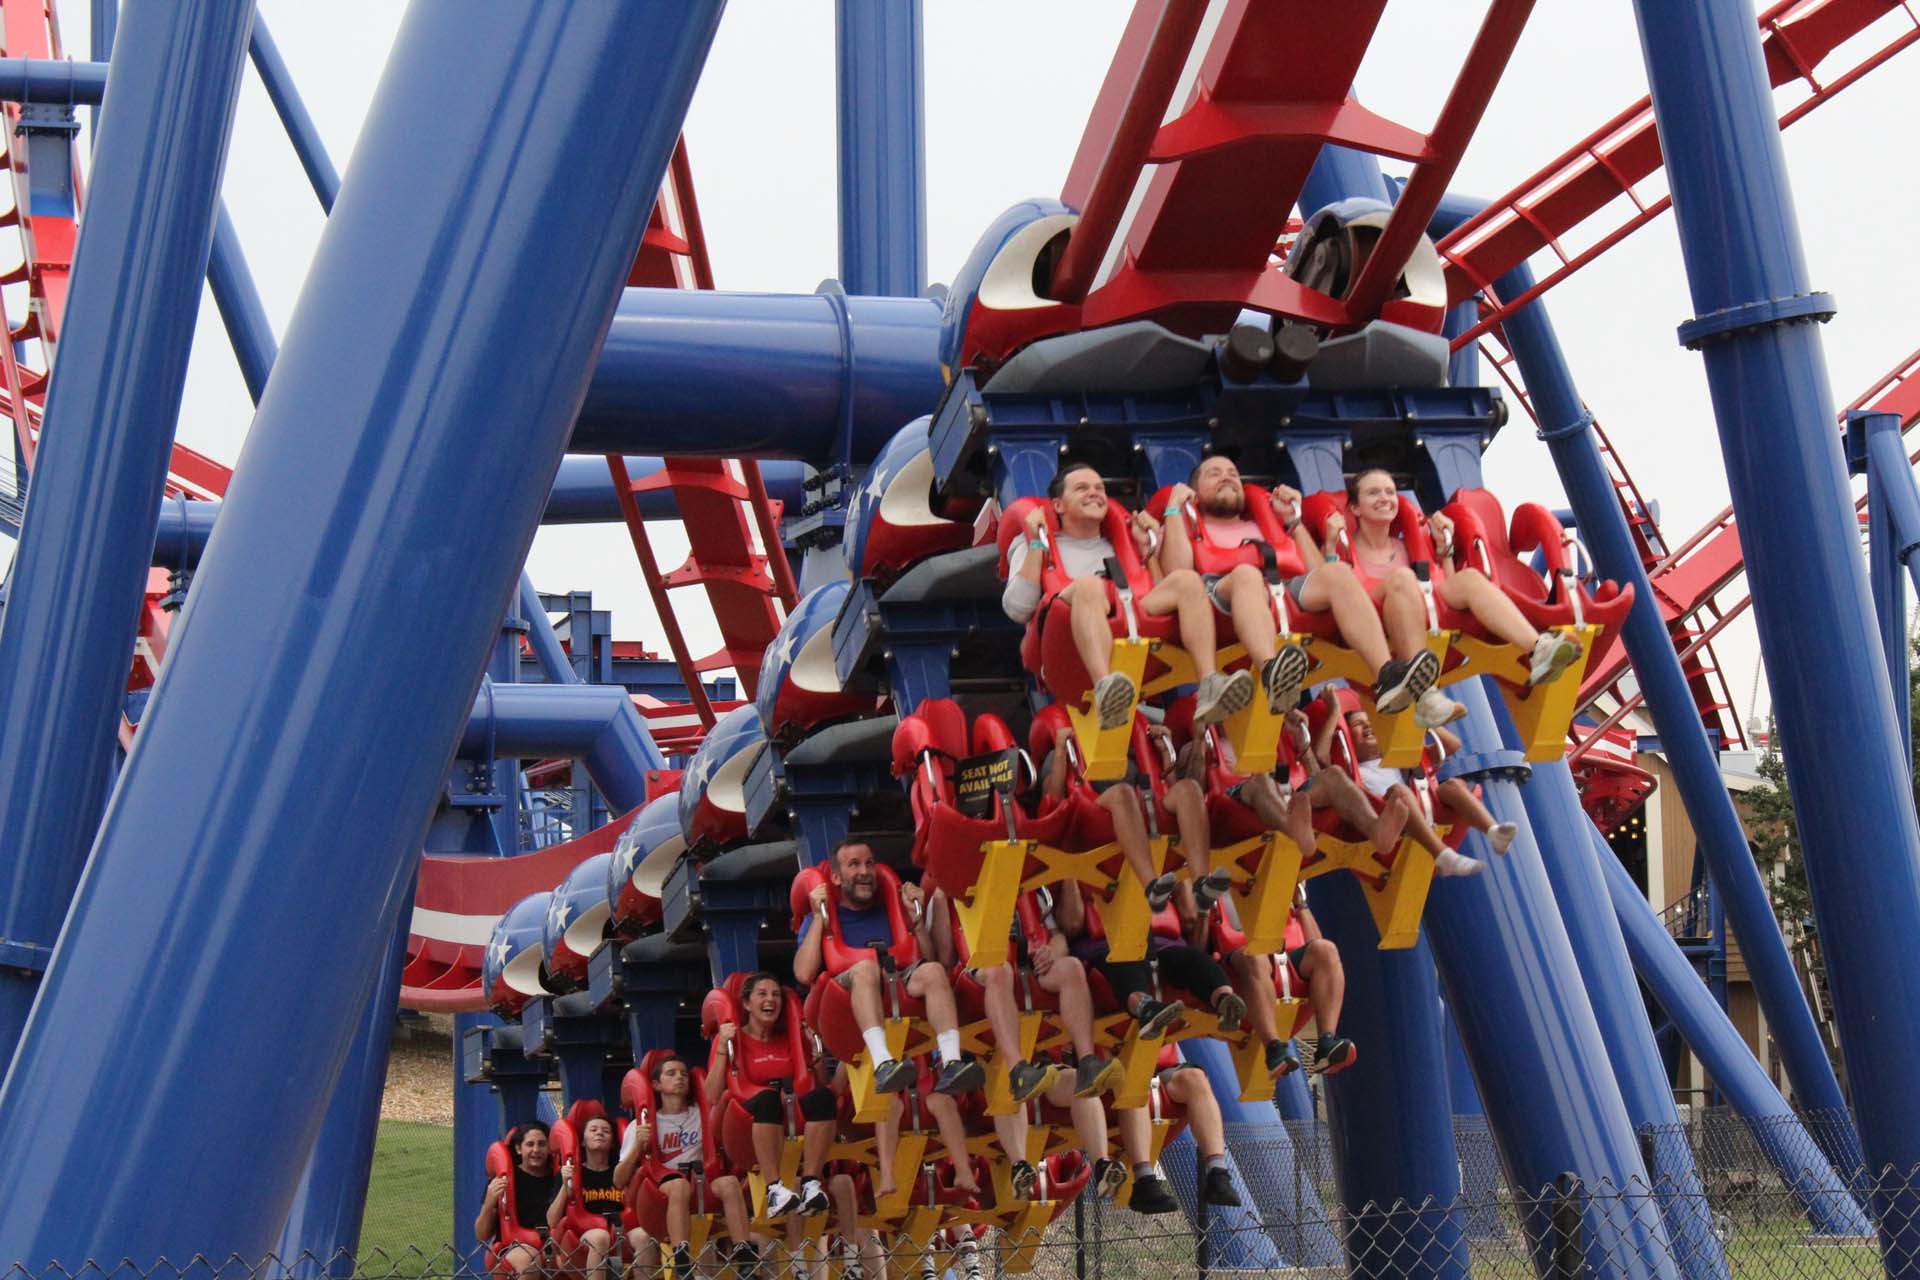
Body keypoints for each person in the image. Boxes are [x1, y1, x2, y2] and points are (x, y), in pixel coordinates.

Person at [1158, 452, 1443, 723]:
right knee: (1247, 574)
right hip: (1222, 591)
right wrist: (1173, 510)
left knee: (1338, 573)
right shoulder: (1184, 523)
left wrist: (1293, 522)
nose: (1227, 478)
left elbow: (1316, 571)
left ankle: (1387, 676)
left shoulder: (1265, 520)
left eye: (1233, 473)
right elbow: (1176, 573)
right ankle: (1273, 672)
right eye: (1214, 474)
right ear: (1195, 491)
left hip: (1281, 589)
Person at [793, 840, 984, 1199]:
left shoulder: (890, 903)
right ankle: (883, 1062)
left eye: (869, 863)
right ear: (837, 876)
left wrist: (916, 918)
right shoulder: (823, 913)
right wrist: (818, 915)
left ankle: (951, 1061)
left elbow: (930, 958)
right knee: (865, 969)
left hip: (898, 980)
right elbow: (803, 973)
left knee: (932, 973)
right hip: (850, 994)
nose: (864, 872)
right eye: (853, 865)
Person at [1003, 461, 1254, 731]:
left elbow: (1157, 589)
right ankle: (1106, 690)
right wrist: (1036, 544)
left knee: (1187, 581)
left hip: (1129, 625)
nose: (1094, 493)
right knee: (1090, 586)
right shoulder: (1035, 542)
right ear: (1058, 505)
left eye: (1099, 488)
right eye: (1082, 488)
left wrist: (1147, 553)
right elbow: (1018, 608)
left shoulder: (1122, 541)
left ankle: (1209, 683)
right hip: (1069, 646)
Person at [924, 883, 1124, 1200]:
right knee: (999, 975)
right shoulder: (950, 892)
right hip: (980, 975)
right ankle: (1020, 1161)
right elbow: (944, 955)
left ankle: (1101, 1158)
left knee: (1071, 967)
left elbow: (1057, 935)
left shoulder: (1034, 887)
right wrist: (940, 893)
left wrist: (1052, 951)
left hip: (1030, 975)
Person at [1331, 467, 1582, 691]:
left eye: (1390, 492)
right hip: (1374, 624)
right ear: (1355, 508)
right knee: (1402, 579)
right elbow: (1335, 587)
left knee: (1469, 578)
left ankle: (1538, 649)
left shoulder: (1409, 545)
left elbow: (1444, 586)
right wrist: (1331, 545)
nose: (1385, 498)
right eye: (1374, 493)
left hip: (1423, 614)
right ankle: (1420, 685)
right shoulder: (1344, 548)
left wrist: (1445, 550)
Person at [709, 972, 838, 1220]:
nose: (771, 999)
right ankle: (774, 1190)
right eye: (762, 994)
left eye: (776, 994)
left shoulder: (790, 1039)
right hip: (745, 1123)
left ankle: (810, 1184)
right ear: (746, 1004)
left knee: (823, 1097)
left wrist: (816, 1055)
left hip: (788, 1115)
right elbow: (712, 1095)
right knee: (768, 1099)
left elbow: (820, 1083)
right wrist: (722, 1049)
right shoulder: (730, 1041)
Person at [1315, 696, 1485, 879]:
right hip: (1389, 836)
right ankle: (1442, 855)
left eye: (1371, 721)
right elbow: (1321, 757)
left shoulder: (1399, 761)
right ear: (1347, 738)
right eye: (1358, 724)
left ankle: (1493, 831)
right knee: (1400, 793)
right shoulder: (1347, 773)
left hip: (1425, 819)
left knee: (1456, 787)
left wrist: (1422, 718)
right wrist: (1335, 712)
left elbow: (1451, 745)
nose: (1367, 725)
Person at [616, 1054, 754, 1279]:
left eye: (683, 1074)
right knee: (679, 1187)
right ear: (656, 1085)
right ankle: (681, 1261)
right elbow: (618, 1179)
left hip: (700, 1185)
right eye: (671, 1074)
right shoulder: (641, 1124)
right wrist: (638, 1148)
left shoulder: (701, 1114)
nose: (679, 1077)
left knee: (729, 1183)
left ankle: (745, 1255)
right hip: (662, 1193)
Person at [1211, 886, 1354, 1077]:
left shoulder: (1275, 884)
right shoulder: (1213, 886)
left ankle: (1327, 1042)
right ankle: (1273, 1048)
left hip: (1282, 968)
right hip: (1236, 977)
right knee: (1255, 956)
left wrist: (1300, 904)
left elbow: (1314, 944)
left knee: (1326, 950)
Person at [1111, 1047, 1243, 1213]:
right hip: (1117, 1068)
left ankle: (1218, 1174)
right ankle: (1144, 1181)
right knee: (1134, 1080)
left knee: (1195, 1077)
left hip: (1159, 1069)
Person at [551, 1115, 644, 1280]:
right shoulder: (570, 1172)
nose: (599, 1133)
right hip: (583, 1236)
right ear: (582, 1141)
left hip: (621, 1231)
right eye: (593, 1130)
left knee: (643, 1236)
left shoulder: (622, 1172)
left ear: (613, 1142)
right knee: (600, 1237)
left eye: (605, 1131)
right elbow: (551, 1220)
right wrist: (566, 1186)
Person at [474, 1121, 558, 1277]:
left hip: (553, 1247)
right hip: (513, 1248)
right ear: (519, 1149)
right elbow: (482, 1234)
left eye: (541, 1144)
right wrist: (489, 1203)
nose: (536, 1150)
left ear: (549, 1148)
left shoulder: (558, 1177)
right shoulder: (504, 1179)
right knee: (528, 1259)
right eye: (530, 1144)